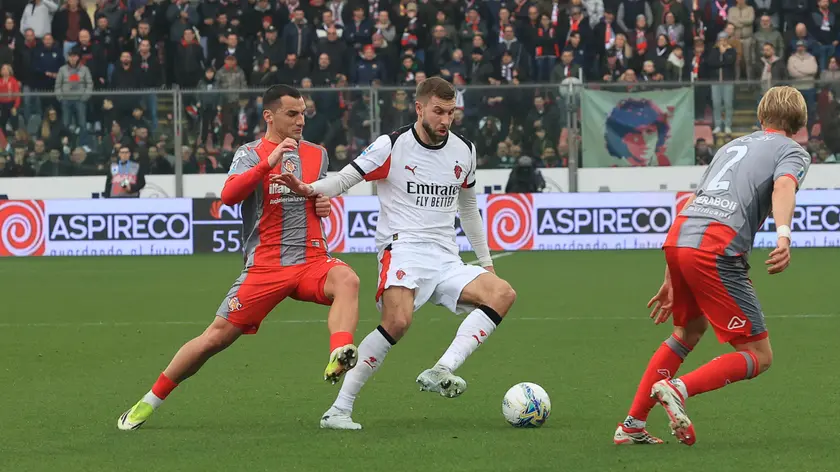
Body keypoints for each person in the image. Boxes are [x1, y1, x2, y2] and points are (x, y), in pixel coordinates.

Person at [274, 77, 517, 430]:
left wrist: (486, 263)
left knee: (503, 293)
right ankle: (338, 410)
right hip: (403, 249)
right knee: (398, 322)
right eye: (438, 111)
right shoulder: (391, 146)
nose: (445, 120)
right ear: (419, 108)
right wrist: (307, 188)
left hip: (446, 257)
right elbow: (343, 180)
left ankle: (442, 369)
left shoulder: (464, 150)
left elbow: (468, 209)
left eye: (451, 112)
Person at [117, 85, 363, 431]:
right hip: (266, 266)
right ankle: (149, 400)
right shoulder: (250, 153)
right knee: (214, 338)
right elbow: (230, 196)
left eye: (303, 113)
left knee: (348, 279)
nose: (300, 120)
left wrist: (322, 202)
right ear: (269, 116)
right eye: (292, 114)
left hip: (311, 259)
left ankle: (340, 352)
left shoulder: (317, 154)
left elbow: (318, 193)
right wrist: (268, 163)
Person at [613, 85, 811, 446]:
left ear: (761, 116)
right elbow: (784, 186)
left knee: (687, 332)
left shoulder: (731, 146)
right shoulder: (792, 150)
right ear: (800, 123)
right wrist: (784, 235)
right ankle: (677, 388)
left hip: (681, 237)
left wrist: (672, 272)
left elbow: (695, 200)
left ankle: (631, 426)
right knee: (758, 354)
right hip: (715, 247)